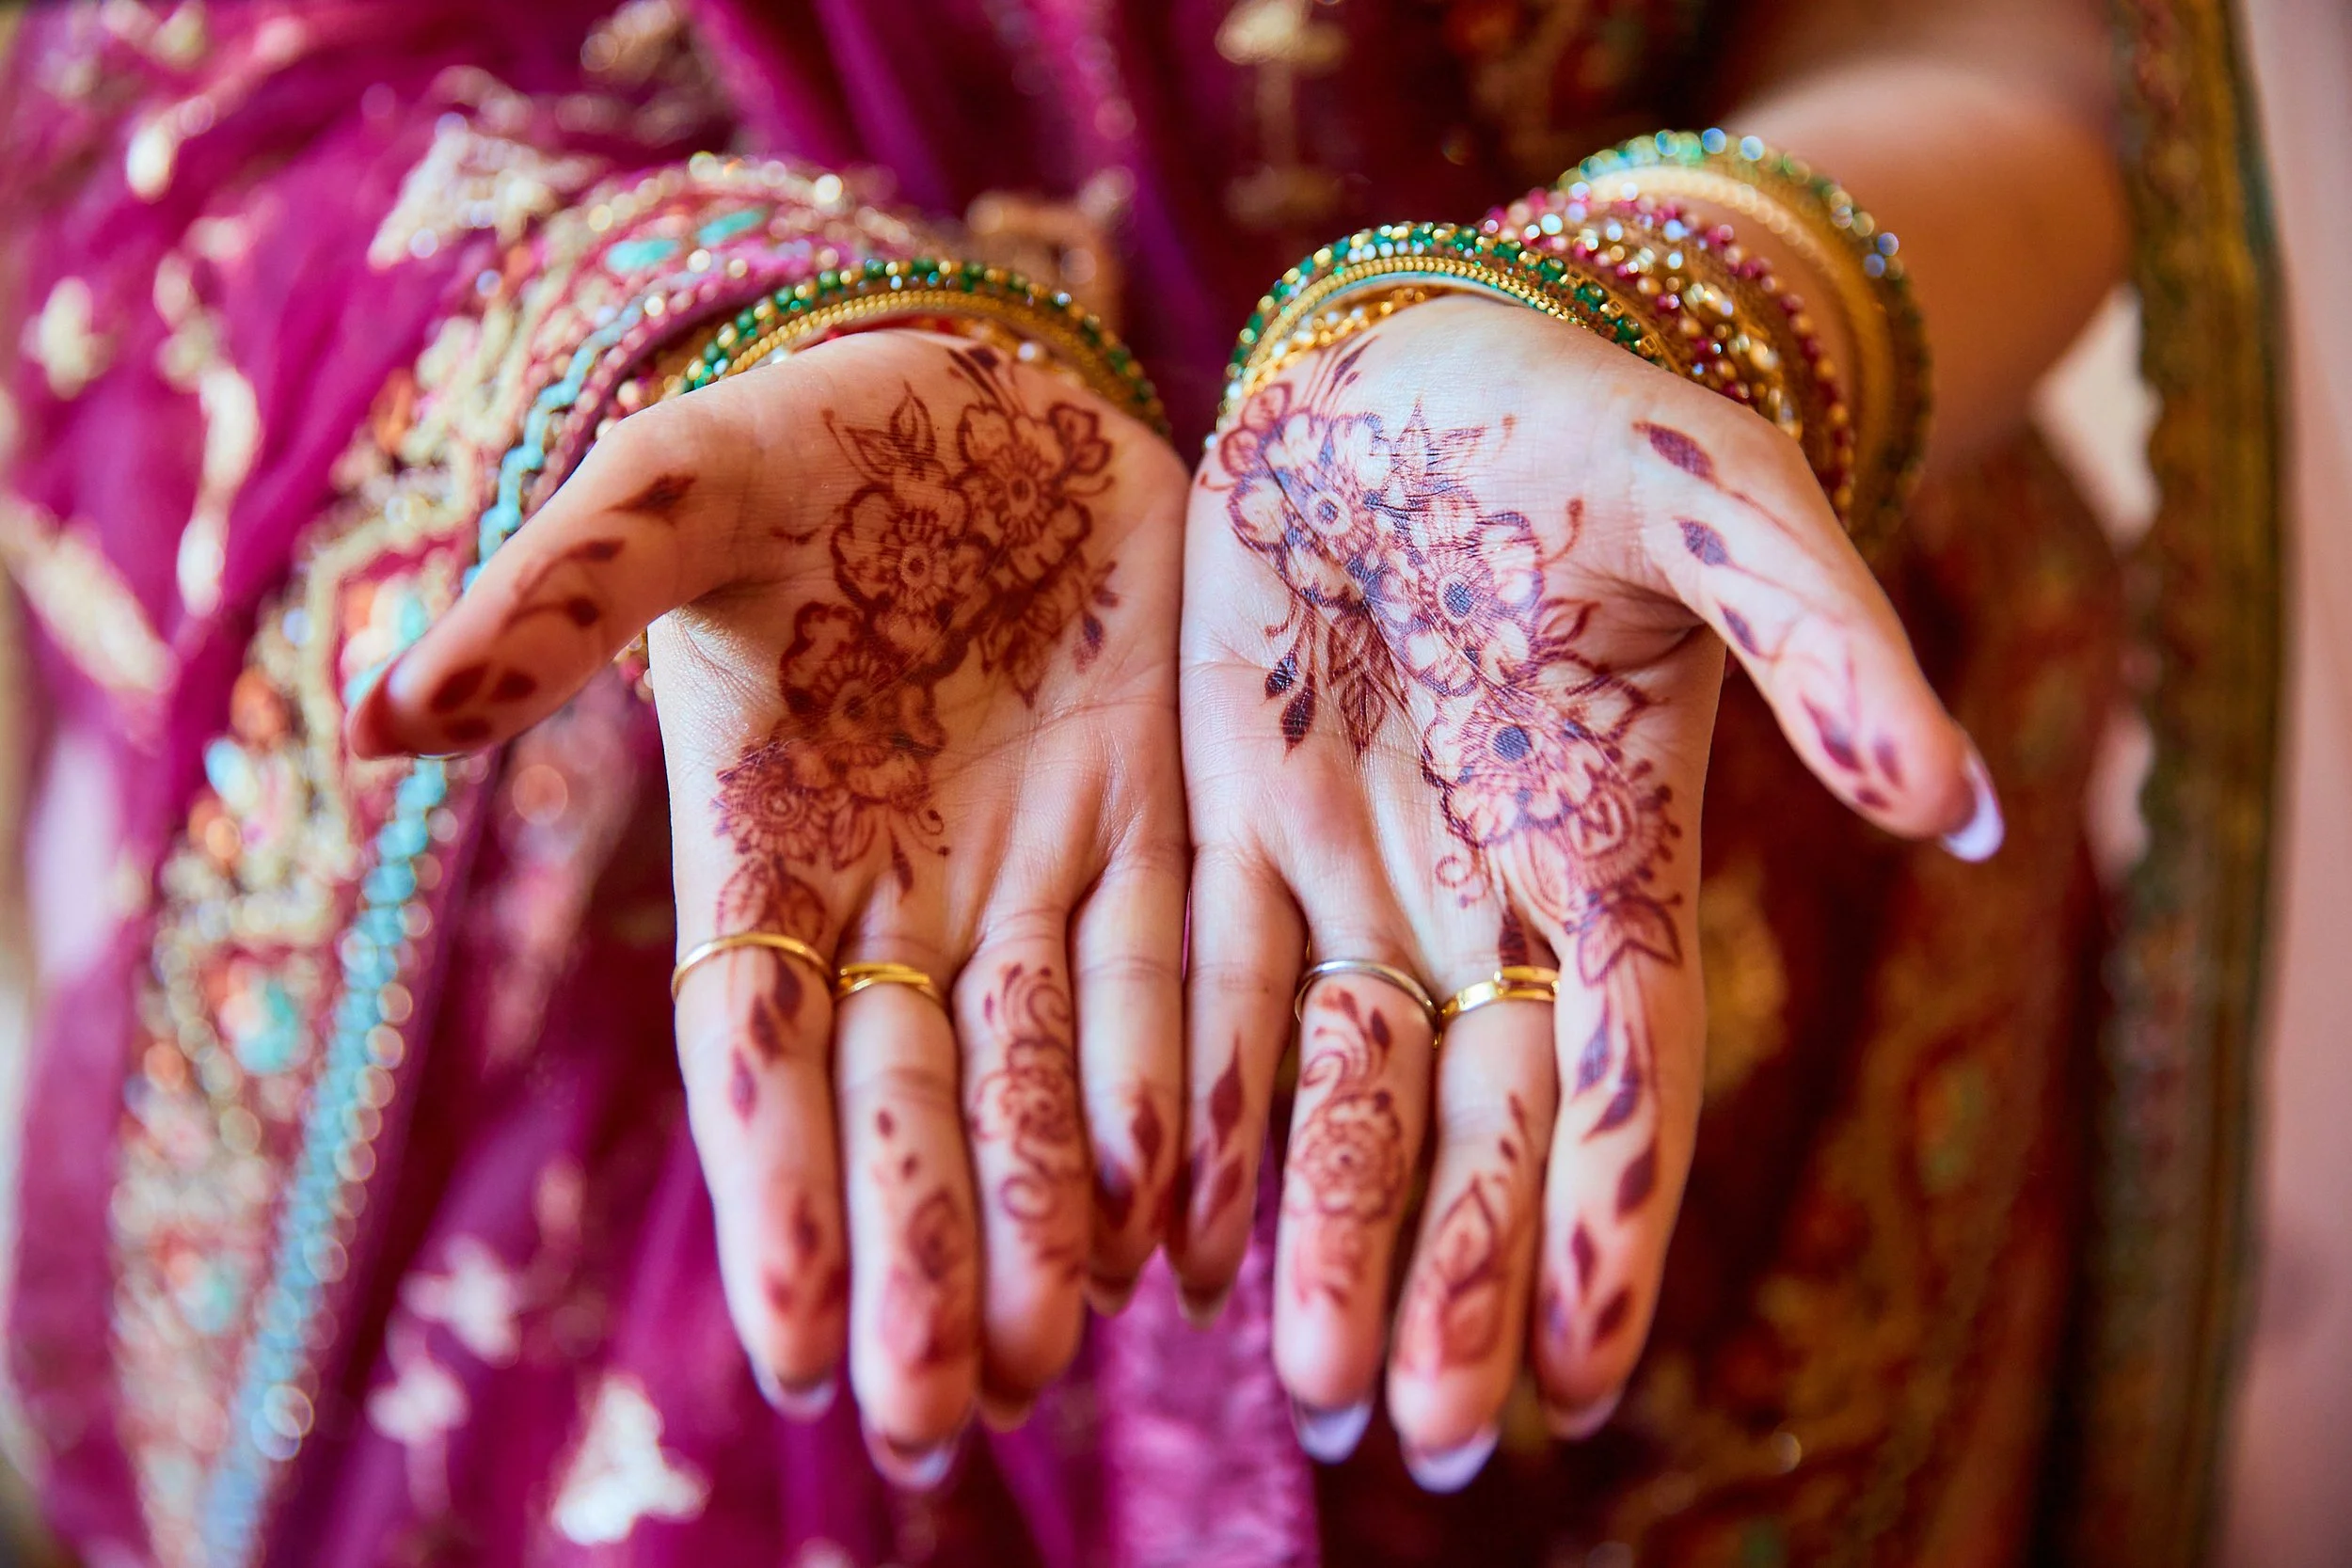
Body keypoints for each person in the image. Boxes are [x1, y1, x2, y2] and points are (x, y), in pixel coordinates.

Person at [0, 0, 2126, 1563]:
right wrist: (689, 334)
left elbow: (1995, 59)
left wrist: (1693, 316)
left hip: (1590, 795)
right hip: (694, 886)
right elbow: (159, 112)